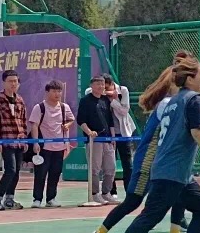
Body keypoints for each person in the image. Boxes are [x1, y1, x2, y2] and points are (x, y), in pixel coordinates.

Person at [102, 54, 200, 233]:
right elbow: (196, 132)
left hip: (175, 172)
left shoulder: (173, 102)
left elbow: (185, 131)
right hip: (171, 171)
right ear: (189, 79)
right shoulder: (194, 100)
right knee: (150, 216)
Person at [84, 52, 200, 233]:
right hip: (149, 160)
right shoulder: (171, 103)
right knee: (133, 201)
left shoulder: (176, 103)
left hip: (164, 161)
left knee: (180, 189)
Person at [27, 80, 75, 208]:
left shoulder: (64, 107)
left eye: (59, 91)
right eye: (54, 91)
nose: (57, 94)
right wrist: (35, 142)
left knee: (55, 173)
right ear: (47, 92)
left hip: (60, 147)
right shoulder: (39, 107)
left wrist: (67, 125)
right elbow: (34, 125)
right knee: (40, 174)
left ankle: (51, 198)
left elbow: (71, 119)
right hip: (44, 147)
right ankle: (37, 199)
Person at [0, 70, 28, 210]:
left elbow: (23, 121)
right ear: (3, 83)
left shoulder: (20, 100)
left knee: (17, 171)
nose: (13, 84)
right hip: (5, 140)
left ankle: (9, 198)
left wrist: (25, 139)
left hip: (19, 141)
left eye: (15, 81)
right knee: (10, 170)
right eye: (10, 81)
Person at [77, 76, 117, 204]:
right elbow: (81, 120)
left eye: (102, 84)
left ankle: (106, 193)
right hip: (94, 141)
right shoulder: (85, 101)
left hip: (107, 140)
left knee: (111, 168)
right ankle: (95, 194)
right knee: (94, 169)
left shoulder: (106, 100)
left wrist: (112, 137)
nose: (101, 86)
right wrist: (89, 132)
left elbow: (110, 121)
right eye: (98, 84)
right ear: (91, 86)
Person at [102, 75, 136, 201]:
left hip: (123, 132)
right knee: (109, 164)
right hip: (108, 133)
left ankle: (129, 191)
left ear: (112, 84)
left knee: (128, 163)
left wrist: (113, 100)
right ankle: (111, 191)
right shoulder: (99, 91)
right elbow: (88, 91)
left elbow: (124, 111)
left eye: (107, 87)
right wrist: (108, 93)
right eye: (103, 88)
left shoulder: (123, 90)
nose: (104, 89)